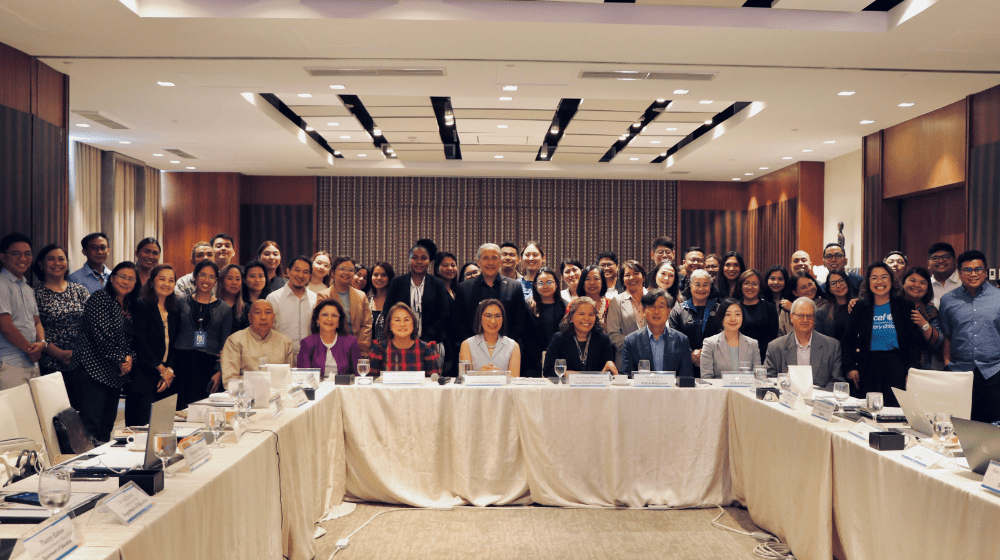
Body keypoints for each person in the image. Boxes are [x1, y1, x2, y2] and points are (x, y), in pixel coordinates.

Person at [70, 261, 136, 442]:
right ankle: (83, 467)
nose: (126, 281)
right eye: (122, 276)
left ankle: (101, 467)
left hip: (114, 375)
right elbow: (101, 337)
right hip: (92, 371)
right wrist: (122, 360)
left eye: (131, 279)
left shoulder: (128, 305)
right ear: (112, 278)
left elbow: (132, 340)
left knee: (106, 427)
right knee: (89, 427)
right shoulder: (100, 298)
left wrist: (130, 358)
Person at [842, 263, 924, 405]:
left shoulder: (905, 306)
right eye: (874, 278)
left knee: (894, 408)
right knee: (869, 409)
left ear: (891, 281)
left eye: (884, 277)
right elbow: (848, 339)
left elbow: (914, 342)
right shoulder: (860, 307)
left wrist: (911, 370)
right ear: (868, 282)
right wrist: (850, 367)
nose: (879, 282)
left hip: (896, 364)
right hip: (867, 364)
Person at [939, 250, 1000, 423]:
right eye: (968, 270)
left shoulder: (998, 297)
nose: (973, 274)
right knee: (961, 423)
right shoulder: (948, 300)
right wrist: (947, 366)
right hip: (959, 372)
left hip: (994, 371)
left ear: (985, 271)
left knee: (993, 425)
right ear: (959, 273)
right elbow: (947, 336)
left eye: (978, 269)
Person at [174, 260, 232, 408]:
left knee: (203, 409)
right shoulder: (180, 302)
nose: (206, 280)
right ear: (194, 276)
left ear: (216, 281)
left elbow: (224, 345)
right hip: (182, 362)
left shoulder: (224, 309)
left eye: (212, 277)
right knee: (180, 409)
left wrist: (219, 372)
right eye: (203, 275)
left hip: (208, 366)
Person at [127, 264, 179, 426]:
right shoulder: (141, 305)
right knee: (141, 427)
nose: (166, 283)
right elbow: (140, 343)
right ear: (152, 281)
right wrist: (161, 369)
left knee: (162, 427)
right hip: (143, 376)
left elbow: (176, 343)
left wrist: (169, 369)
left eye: (171, 280)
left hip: (166, 377)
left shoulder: (174, 310)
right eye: (162, 279)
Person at [764, 297, 845, 390]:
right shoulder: (776, 347)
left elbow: (836, 382)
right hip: (786, 401)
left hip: (818, 401)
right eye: (800, 315)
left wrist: (815, 396)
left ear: (814, 318)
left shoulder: (832, 346)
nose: (805, 320)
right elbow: (769, 381)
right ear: (791, 317)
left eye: (809, 316)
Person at [455, 243, 529, 343]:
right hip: (472, 348)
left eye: (494, 258)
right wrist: (474, 344)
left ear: (500, 261)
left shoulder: (514, 286)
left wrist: (504, 344)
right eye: (485, 258)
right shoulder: (463, 288)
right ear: (479, 262)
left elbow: (520, 321)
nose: (490, 262)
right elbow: (458, 322)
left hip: (506, 348)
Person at [33, 244, 89, 376]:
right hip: (50, 363)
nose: (57, 263)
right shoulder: (34, 293)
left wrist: (80, 352)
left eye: (61, 259)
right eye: (51, 259)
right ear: (41, 264)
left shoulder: (80, 290)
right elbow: (34, 327)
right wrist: (61, 354)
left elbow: (92, 323)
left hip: (82, 361)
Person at [384, 242, 451, 345]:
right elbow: (388, 311)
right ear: (409, 260)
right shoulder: (397, 282)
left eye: (424, 258)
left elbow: (443, 315)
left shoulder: (438, 283)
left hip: (432, 342)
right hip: (401, 341)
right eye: (415, 258)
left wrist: (424, 339)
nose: (419, 261)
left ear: (429, 261)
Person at [0, 233, 44, 388]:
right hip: (9, 363)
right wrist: (30, 349)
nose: (23, 259)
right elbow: (5, 326)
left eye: (27, 254)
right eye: (16, 254)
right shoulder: (2, 285)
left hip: (31, 362)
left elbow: (36, 322)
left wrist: (41, 343)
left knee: (30, 411)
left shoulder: (27, 288)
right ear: (3, 257)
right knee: (13, 411)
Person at [621, 290, 693, 377]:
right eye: (652, 306)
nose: (656, 311)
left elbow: (686, 377)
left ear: (668, 312)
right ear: (643, 311)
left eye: (661, 307)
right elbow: (628, 378)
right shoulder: (631, 341)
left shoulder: (681, 340)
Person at [220, 300, 294, 385]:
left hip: (278, 395)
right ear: (250, 317)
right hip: (245, 395)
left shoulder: (285, 342)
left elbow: (290, 377)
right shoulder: (235, 341)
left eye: (268, 312)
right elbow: (230, 380)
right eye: (258, 312)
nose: (263, 317)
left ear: (274, 317)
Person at [543, 296, 618, 376]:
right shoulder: (559, 339)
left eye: (591, 314)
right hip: (567, 387)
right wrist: (565, 374)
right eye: (582, 314)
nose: (586, 318)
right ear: (571, 317)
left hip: (594, 386)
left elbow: (608, 370)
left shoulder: (603, 339)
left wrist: (610, 367)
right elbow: (547, 370)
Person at [669, 269, 722, 372]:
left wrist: (704, 352)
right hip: (684, 363)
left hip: (713, 363)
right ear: (690, 286)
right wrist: (691, 354)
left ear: (710, 287)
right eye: (697, 284)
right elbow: (673, 336)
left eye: (705, 284)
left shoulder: (718, 309)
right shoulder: (678, 309)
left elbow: (723, 335)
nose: (701, 288)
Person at [318, 256, 372, 353]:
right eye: (342, 269)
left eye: (351, 270)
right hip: (331, 349)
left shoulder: (361, 296)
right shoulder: (324, 296)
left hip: (358, 349)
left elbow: (367, 324)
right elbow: (323, 325)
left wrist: (357, 345)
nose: (346, 273)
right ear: (333, 273)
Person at [369, 303, 440, 377]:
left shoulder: (427, 349)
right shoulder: (379, 349)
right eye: (397, 320)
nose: (402, 324)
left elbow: (434, 385)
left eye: (406, 320)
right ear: (389, 324)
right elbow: (371, 384)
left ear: (413, 323)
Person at [269, 256, 320, 356]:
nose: (301, 275)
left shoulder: (315, 298)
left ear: (309, 276)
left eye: (305, 272)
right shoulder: (273, 298)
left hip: (309, 356)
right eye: (297, 270)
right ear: (288, 271)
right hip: (281, 355)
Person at [297, 299, 361, 377]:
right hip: (317, 388)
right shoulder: (307, 343)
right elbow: (303, 376)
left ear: (339, 321)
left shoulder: (350, 342)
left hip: (344, 387)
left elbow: (359, 375)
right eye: (324, 315)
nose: (329, 319)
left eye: (334, 315)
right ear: (317, 320)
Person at [700, 298, 761, 378]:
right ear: (721, 317)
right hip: (719, 390)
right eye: (728, 314)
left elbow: (757, 377)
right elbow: (706, 378)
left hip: (745, 390)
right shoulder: (710, 343)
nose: (733, 319)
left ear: (743, 317)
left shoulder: (753, 344)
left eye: (737, 314)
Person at [522, 267, 566, 377]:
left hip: (558, 361)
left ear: (556, 284)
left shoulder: (565, 306)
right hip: (531, 363)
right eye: (541, 283)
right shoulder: (527, 306)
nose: (545, 286)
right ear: (536, 286)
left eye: (549, 282)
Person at [459, 299, 521, 376]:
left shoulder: (513, 346)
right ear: (480, 317)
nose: (493, 321)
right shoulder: (467, 345)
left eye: (497, 316)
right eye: (488, 316)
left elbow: (514, 381)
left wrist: (500, 375)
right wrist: (479, 374)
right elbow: (464, 379)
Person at [900, 267, 943, 370]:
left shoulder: (930, 310)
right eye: (912, 280)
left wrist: (924, 324)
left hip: (921, 368)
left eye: (922, 282)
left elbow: (938, 343)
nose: (917, 285)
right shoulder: (891, 305)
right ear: (903, 283)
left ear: (928, 288)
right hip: (891, 364)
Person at [607, 260, 647, 368]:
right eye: (627, 275)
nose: (631, 278)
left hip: (652, 359)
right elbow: (613, 334)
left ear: (643, 277)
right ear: (623, 280)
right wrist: (636, 347)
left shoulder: (654, 298)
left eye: (636, 273)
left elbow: (663, 328)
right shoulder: (616, 301)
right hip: (625, 360)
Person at [736, 269, 778, 362]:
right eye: (746, 283)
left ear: (760, 287)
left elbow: (773, 336)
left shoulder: (770, 308)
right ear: (741, 286)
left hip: (764, 358)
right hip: (737, 356)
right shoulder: (734, 308)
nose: (750, 287)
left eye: (755, 284)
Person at [779, 271, 829, 337]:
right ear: (795, 292)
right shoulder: (786, 309)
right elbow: (780, 334)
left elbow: (819, 328)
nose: (809, 289)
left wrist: (794, 309)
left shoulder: (825, 304)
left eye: (810, 284)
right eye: (803, 287)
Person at [816, 269, 856, 342]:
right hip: (835, 352)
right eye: (833, 283)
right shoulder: (823, 313)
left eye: (841, 281)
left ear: (847, 282)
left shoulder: (857, 304)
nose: (838, 285)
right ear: (830, 289)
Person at [577, 265, 610, 330]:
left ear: (602, 282)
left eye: (596, 278)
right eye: (587, 279)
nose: (592, 283)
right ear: (582, 283)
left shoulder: (611, 304)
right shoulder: (574, 304)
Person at [369, 262, 395, 344]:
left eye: (384, 275)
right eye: (375, 275)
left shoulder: (396, 302)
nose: (379, 278)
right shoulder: (367, 301)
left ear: (389, 277)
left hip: (391, 351)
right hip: (369, 351)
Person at [217, 264, 249, 332]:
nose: (234, 282)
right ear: (222, 281)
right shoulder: (213, 306)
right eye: (230, 278)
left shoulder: (246, 308)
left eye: (238, 279)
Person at [928, 242, 960, 307]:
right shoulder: (925, 285)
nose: (940, 261)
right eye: (935, 258)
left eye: (946, 257)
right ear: (928, 263)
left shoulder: (966, 280)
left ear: (955, 260)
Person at [765, 265, 793, 334]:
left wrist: (793, 308)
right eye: (772, 278)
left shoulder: (792, 300)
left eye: (780, 279)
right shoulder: (761, 300)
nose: (776, 282)